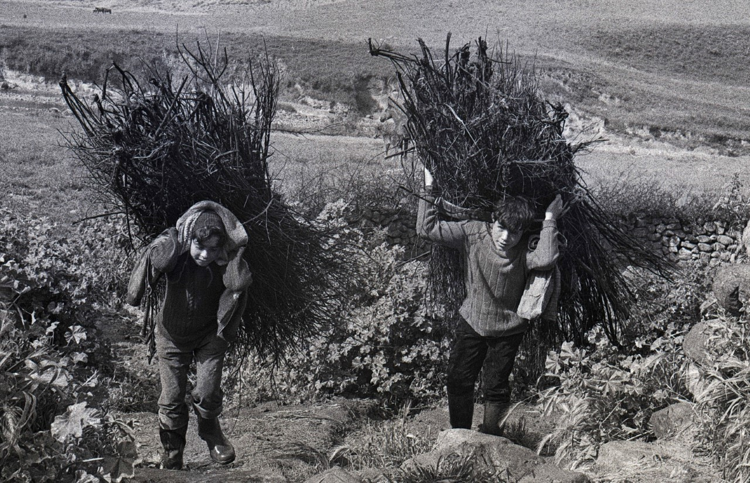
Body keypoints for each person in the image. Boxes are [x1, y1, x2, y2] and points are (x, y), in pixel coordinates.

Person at [417, 167, 562, 435]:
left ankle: (491, 436)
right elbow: (427, 229)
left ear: (524, 233)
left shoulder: (525, 248)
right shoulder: (473, 233)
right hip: (473, 320)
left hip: (509, 328)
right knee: (459, 379)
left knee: (495, 384)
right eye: (501, 228)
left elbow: (546, 259)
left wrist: (550, 218)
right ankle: (459, 434)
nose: (506, 238)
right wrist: (429, 186)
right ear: (493, 220)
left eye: (515, 233)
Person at [126, 200, 252, 470]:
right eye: (200, 246)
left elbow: (237, 284)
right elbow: (157, 260)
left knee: (207, 392)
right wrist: (169, 242)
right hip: (171, 336)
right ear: (189, 239)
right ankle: (173, 452)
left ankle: (211, 433)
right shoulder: (176, 255)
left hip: (210, 335)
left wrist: (235, 255)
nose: (205, 254)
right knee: (171, 397)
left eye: (213, 249)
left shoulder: (224, 262)